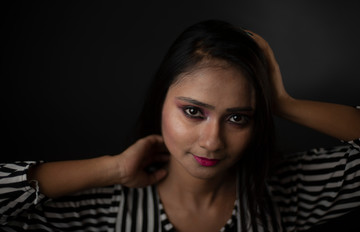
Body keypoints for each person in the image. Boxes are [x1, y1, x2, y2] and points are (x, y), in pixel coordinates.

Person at [1, 20, 359, 232]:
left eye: (238, 118)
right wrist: (111, 168)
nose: (212, 141)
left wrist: (282, 103)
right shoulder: (101, 206)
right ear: (161, 102)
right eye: (193, 112)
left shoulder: (285, 191)